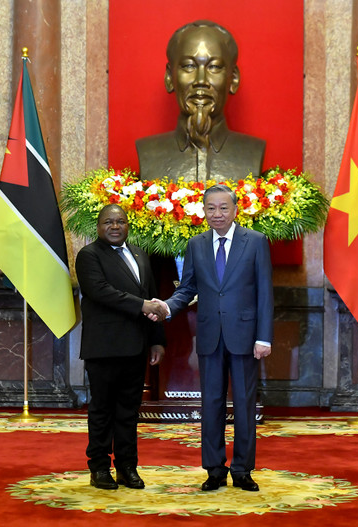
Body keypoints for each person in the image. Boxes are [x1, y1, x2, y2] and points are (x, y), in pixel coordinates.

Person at [154, 184, 273, 492]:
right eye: (211, 208)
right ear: (202, 211)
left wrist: (264, 337)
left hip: (246, 337)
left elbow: (264, 293)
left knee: (245, 404)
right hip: (209, 336)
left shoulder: (256, 242)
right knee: (211, 403)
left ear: (235, 210)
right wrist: (167, 307)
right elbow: (188, 288)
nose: (217, 214)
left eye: (223, 208)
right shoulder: (196, 244)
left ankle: (243, 469)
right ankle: (214, 469)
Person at [75, 204, 167, 490]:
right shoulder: (88, 256)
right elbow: (101, 291)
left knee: (129, 411)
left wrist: (157, 339)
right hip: (103, 348)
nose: (115, 227)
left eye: (121, 221)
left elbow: (151, 295)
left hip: (136, 347)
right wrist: (142, 305)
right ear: (98, 227)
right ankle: (99, 467)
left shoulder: (140, 254)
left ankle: (127, 467)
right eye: (108, 222)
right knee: (102, 411)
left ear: (128, 225)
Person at [136, 20, 265, 183]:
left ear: (233, 79)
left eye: (214, 67)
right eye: (189, 66)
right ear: (169, 78)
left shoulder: (252, 152)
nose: (201, 80)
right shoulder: (148, 152)